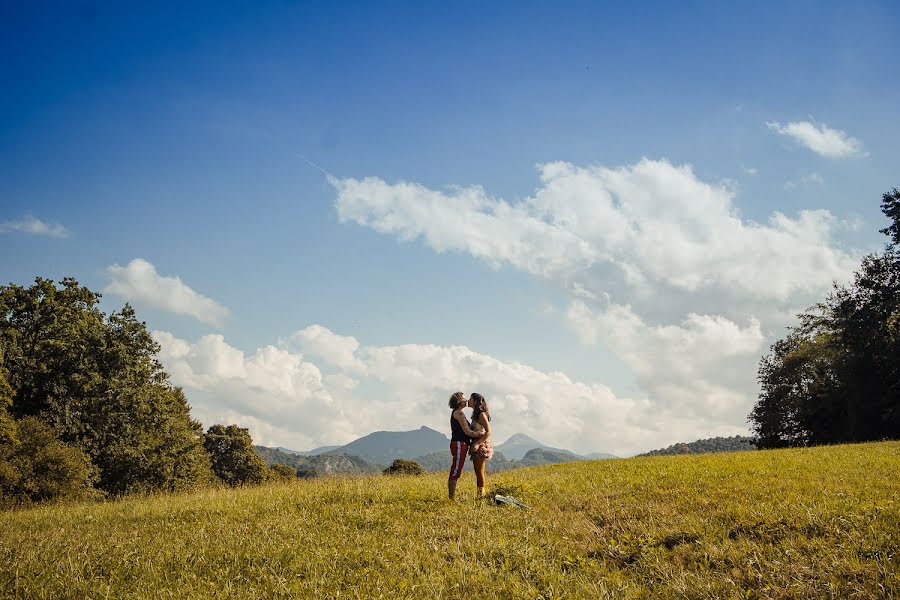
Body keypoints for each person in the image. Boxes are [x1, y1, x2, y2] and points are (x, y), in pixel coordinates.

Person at [448, 391, 483, 500]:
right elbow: (467, 432)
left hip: (460, 444)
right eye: (464, 398)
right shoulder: (459, 413)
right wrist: (481, 434)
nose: (466, 400)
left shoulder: (458, 412)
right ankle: (451, 498)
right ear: (459, 401)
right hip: (459, 443)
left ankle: (451, 497)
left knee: (456, 468)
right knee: (456, 469)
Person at [467, 392, 493, 499]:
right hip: (476, 443)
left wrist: (477, 444)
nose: (469, 401)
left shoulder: (482, 414)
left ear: (476, 401)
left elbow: (489, 432)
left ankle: (481, 496)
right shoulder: (475, 415)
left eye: (471, 399)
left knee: (480, 472)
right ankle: (480, 495)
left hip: (481, 444)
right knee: (477, 472)